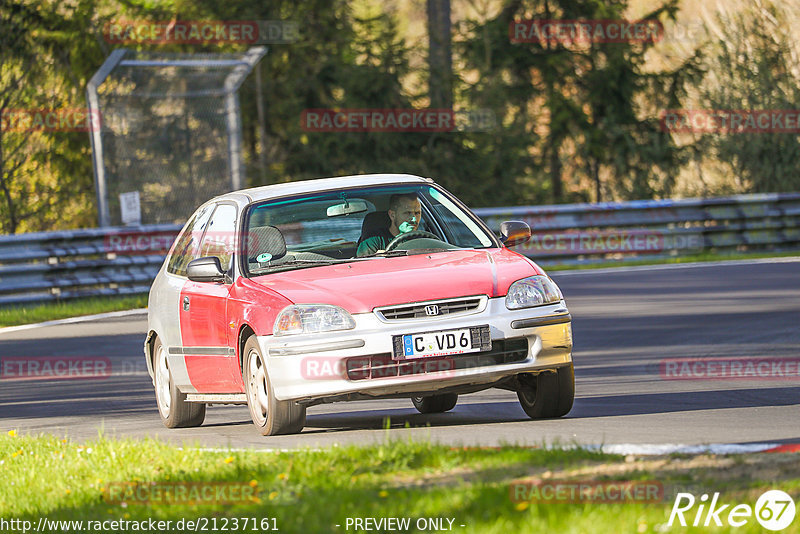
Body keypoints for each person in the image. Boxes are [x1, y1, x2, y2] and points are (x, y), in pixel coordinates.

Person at [357, 194, 422, 256]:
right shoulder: (373, 241)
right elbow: (363, 266)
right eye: (407, 213)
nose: (414, 219)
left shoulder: (423, 240)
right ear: (392, 215)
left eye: (417, 213)